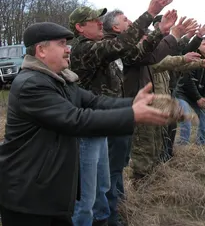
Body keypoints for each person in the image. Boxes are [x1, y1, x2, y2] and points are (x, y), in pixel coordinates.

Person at [0, 22, 169, 226]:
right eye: (62, 44)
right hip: (28, 195)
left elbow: (94, 101)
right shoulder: (32, 84)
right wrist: (131, 115)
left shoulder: (61, 80)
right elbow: (75, 119)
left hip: (48, 190)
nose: (68, 49)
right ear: (41, 50)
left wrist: (132, 103)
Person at [69, 0, 174, 226]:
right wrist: (150, 14)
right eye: (93, 20)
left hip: (110, 118)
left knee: (105, 181)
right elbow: (122, 44)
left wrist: (161, 32)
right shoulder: (85, 49)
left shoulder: (102, 47)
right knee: (89, 191)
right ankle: (104, 219)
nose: (99, 23)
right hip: (91, 126)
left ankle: (111, 217)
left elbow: (136, 52)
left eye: (100, 19)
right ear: (79, 28)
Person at [123, 13, 199, 180]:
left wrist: (194, 55)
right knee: (144, 146)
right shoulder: (137, 56)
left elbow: (173, 55)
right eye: (143, 36)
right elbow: (167, 59)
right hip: (142, 106)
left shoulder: (146, 56)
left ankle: (153, 172)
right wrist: (176, 36)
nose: (146, 38)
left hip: (156, 103)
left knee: (158, 140)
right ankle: (141, 180)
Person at [175, 37, 205, 145]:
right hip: (183, 93)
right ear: (198, 46)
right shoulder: (193, 58)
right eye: (204, 44)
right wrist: (198, 98)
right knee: (186, 117)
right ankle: (183, 143)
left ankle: (201, 141)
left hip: (198, 96)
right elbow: (189, 81)